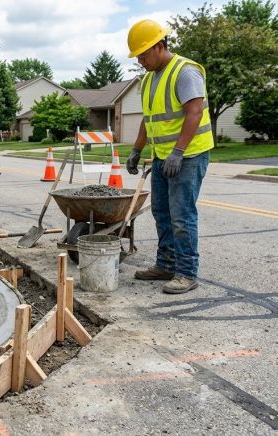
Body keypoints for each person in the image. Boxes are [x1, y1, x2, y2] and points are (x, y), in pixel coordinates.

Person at [124, 19, 214, 294]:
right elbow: (149, 119)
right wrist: (137, 149)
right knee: (162, 212)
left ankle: (186, 273)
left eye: (143, 54)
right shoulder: (149, 79)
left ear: (160, 46)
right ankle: (165, 264)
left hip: (188, 155)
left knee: (181, 215)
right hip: (163, 156)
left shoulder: (185, 72)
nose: (140, 61)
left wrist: (178, 152)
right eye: (137, 56)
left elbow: (194, 113)